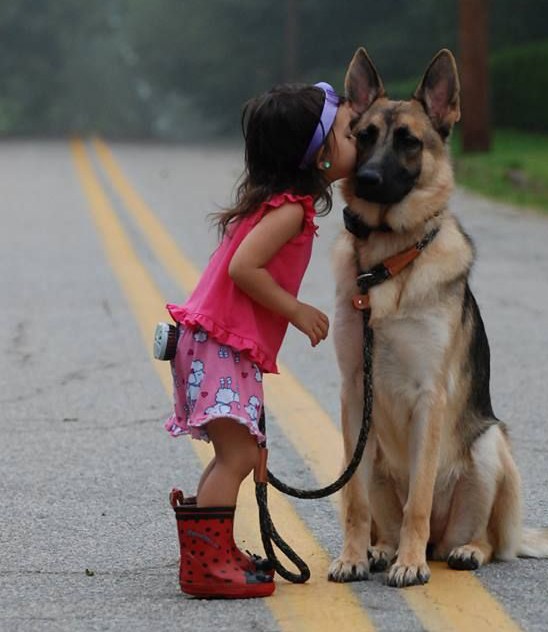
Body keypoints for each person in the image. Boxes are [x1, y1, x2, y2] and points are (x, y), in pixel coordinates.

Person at [165, 81, 356, 599]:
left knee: (237, 453)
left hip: (212, 345)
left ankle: (212, 552)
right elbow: (245, 267)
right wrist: (295, 310)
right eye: (347, 132)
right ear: (319, 157)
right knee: (237, 458)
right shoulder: (289, 212)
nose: (358, 138)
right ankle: (206, 567)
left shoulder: (278, 204)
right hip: (218, 347)